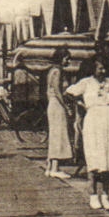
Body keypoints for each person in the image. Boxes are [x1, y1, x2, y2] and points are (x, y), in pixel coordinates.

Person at [66, 54, 109, 210]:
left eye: (105, 68)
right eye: (100, 68)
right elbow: (69, 93)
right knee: (94, 158)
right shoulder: (86, 83)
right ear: (93, 69)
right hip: (93, 120)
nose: (103, 71)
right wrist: (82, 104)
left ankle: (105, 195)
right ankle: (93, 195)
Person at [45, 47, 74, 179]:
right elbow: (57, 90)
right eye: (67, 58)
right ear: (61, 58)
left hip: (52, 104)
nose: (68, 61)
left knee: (54, 134)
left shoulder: (51, 70)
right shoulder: (58, 71)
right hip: (57, 105)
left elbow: (49, 91)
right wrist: (66, 106)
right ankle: (55, 167)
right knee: (59, 134)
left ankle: (50, 166)